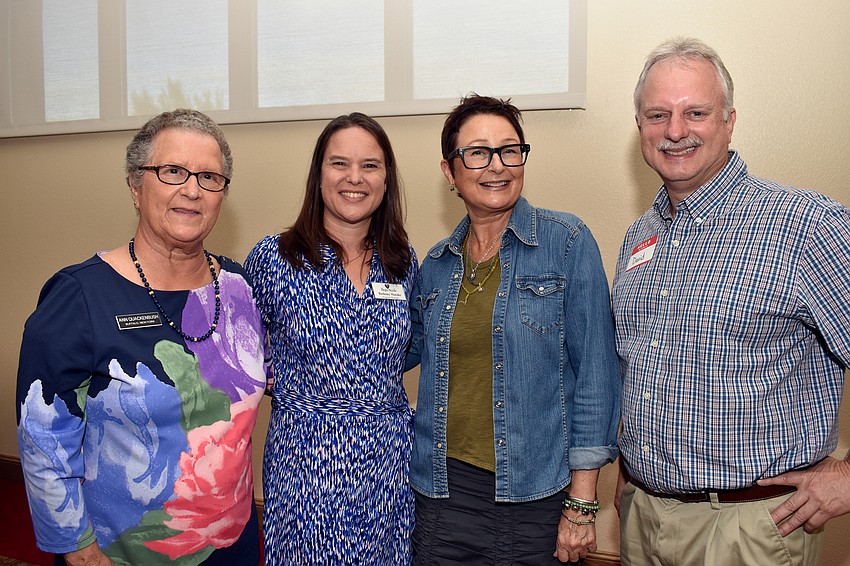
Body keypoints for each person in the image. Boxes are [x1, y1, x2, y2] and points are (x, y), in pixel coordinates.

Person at [613, 37, 850, 566]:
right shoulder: (638, 238)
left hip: (750, 529)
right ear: (640, 128)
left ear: (729, 119)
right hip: (642, 517)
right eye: (658, 115)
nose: (675, 131)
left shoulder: (804, 226)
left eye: (694, 112)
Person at [16, 109, 268, 565]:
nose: (192, 189)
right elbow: (43, 443)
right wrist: (80, 552)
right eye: (172, 172)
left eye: (210, 177)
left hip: (232, 544)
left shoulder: (240, 288)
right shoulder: (79, 297)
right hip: (119, 554)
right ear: (136, 186)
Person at [407, 94, 621, 565]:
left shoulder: (566, 243)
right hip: (441, 493)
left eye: (510, 150)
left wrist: (582, 506)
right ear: (450, 171)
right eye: (478, 153)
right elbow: (389, 353)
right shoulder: (437, 265)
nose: (497, 166)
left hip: (536, 495)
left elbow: (597, 377)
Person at [244, 112, 418, 565]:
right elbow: (238, 353)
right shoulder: (274, 258)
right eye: (339, 163)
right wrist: (280, 382)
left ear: (387, 178)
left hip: (390, 465)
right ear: (318, 174)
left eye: (370, 165)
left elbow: (406, 349)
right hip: (305, 467)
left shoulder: (401, 262)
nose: (354, 178)